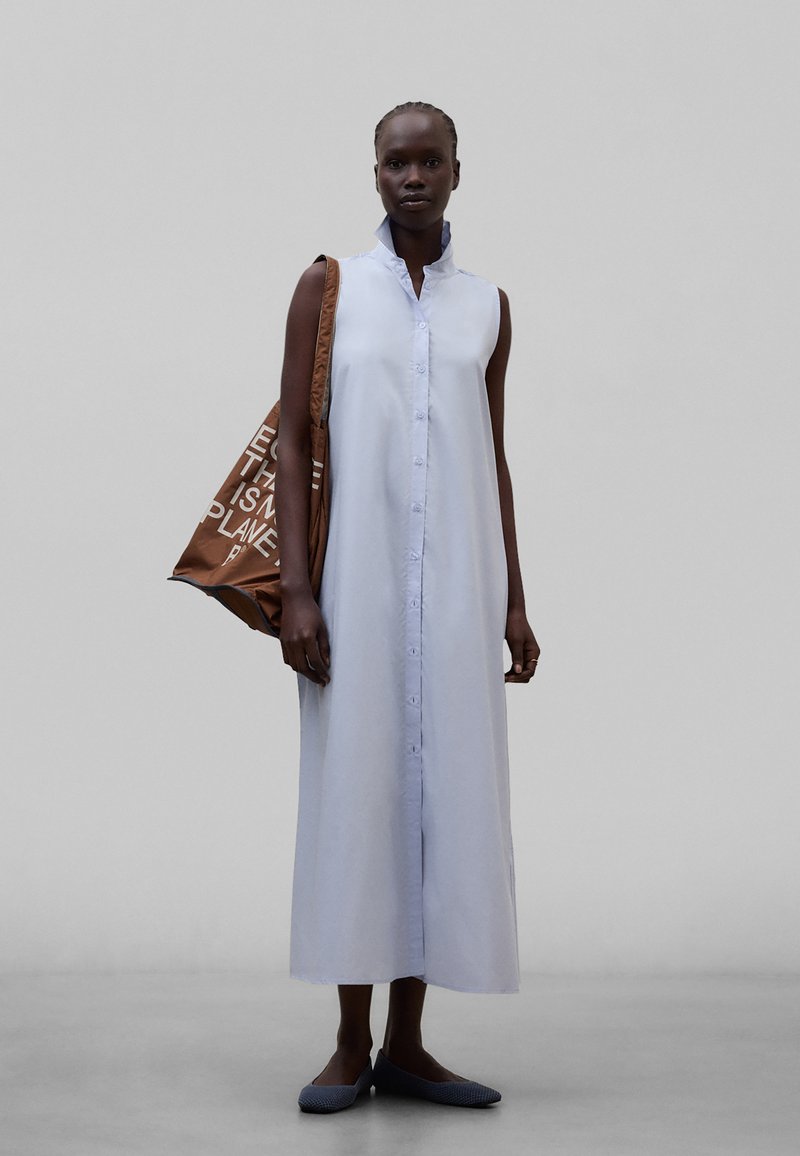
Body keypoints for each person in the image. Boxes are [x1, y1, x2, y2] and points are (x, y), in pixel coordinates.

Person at [275, 101, 540, 1112]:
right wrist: (298, 590)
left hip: (460, 588)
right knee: (361, 797)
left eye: (431, 161)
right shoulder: (329, 288)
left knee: (443, 800)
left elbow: (491, 453)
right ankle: (349, 1042)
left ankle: (408, 1044)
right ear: (375, 173)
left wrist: (514, 598)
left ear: (458, 172)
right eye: (397, 162)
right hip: (356, 585)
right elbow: (294, 442)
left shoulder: (487, 306)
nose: (414, 177)